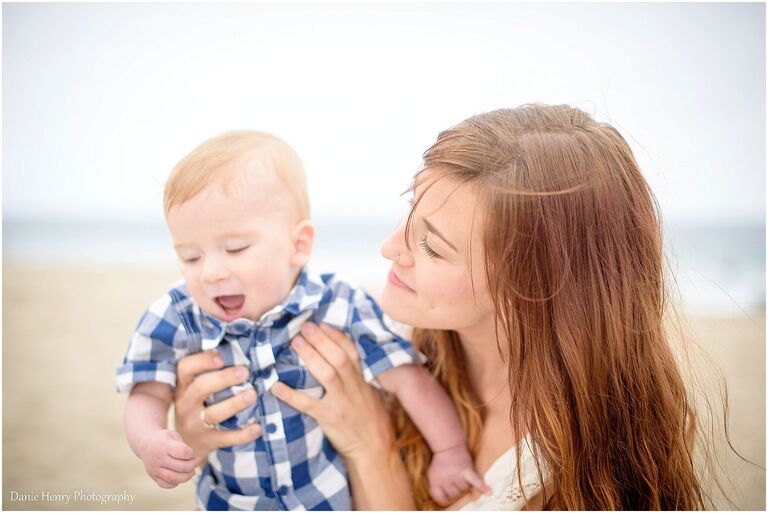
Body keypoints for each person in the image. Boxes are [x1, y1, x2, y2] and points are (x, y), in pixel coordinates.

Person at [172, 105, 716, 509]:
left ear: (533, 289)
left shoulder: (580, 469)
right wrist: (205, 440)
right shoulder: (387, 356)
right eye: (411, 213)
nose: (390, 248)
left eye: (432, 245)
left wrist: (372, 449)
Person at [115, 131, 488, 510]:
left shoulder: (337, 303)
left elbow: (409, 380)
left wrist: (450, 451)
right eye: (190, 256)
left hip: (324, 498)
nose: (209, 273)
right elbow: (147, 393)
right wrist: (149, 440)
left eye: (235, 248)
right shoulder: (178, 315)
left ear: (299, 245)